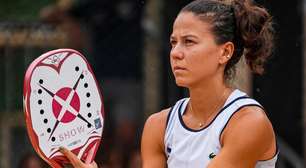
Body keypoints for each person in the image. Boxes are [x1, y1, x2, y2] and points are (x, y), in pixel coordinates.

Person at [60, 0, 277, 167]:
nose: (176, 53)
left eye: (189, 42)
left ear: (225, 52)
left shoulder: (249, 123)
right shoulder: (158, 126)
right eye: (174, 43)